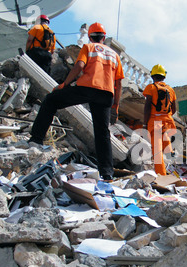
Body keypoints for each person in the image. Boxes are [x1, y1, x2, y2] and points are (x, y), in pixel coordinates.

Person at [29, 22, 124, 181]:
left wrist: (64, 84)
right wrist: (116, 106)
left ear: (90, 36)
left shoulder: (88, 47)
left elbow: (79, 65)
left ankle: (36, 139)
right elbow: (119, 83)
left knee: (51, 100)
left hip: (86, 88)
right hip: (106, 94)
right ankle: (107, 173)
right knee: (103, 133)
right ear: (104, 37)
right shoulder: (115, 55)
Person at [143, 64, 177, 176]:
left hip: (155, 121)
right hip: (167, 121)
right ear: (164, 77)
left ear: (153, 76)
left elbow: (147, 107)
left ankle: (162, 176)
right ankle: (171, 153)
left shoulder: (151, 88)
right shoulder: (171, 90)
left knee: (157, 151)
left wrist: (145, 123)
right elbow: (174, 109)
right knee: (165, 140)